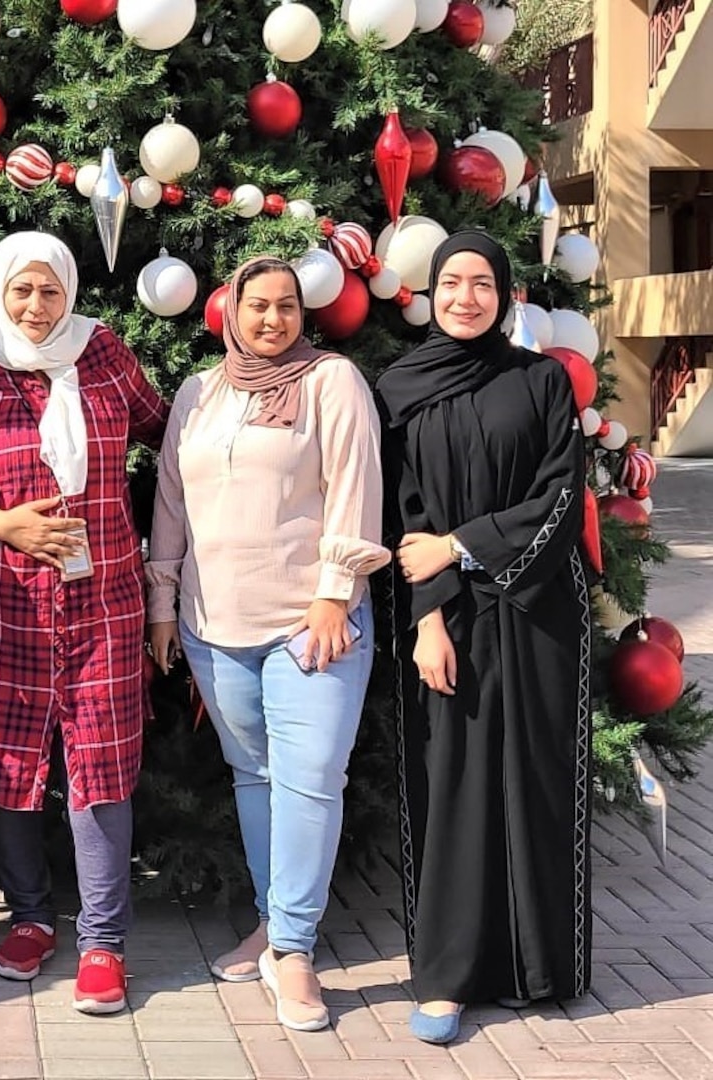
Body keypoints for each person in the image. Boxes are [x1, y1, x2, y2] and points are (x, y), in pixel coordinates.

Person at [147, 256, 388, 1032]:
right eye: (258, 306)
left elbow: (356, 487)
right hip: (213, 627)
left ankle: (292, 949)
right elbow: (172, 502)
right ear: (230, 311)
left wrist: (334, 594)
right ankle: (271, 924)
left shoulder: (332, 382)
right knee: (254, 777)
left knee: (312, 778)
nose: (273, 320)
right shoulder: (200, 392)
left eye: (287, 307)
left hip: (307, 623)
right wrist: (162, 607)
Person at [0, 232, 169, 1015]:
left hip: (103, 600)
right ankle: (30, 918)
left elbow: (167, 437)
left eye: (51, 291)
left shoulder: (103, 358)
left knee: (100, 765)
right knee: (8, 763)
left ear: (70, 292)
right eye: (22, 291)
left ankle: (104, 942)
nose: (36, 308)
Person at [373, 231, 591, 1044]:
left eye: (482, 284)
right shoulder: (398, 388)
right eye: (452, 283)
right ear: (430, 292)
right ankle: (448, 977)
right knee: (455, 789)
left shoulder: (540, 381)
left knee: (533, 778)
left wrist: (463, 548)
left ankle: (539, 967)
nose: (466, 297)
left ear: (504, 294)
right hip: (447, 619)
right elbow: (401, 514)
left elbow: (560, 496)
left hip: (534, 613)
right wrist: (428, 613)